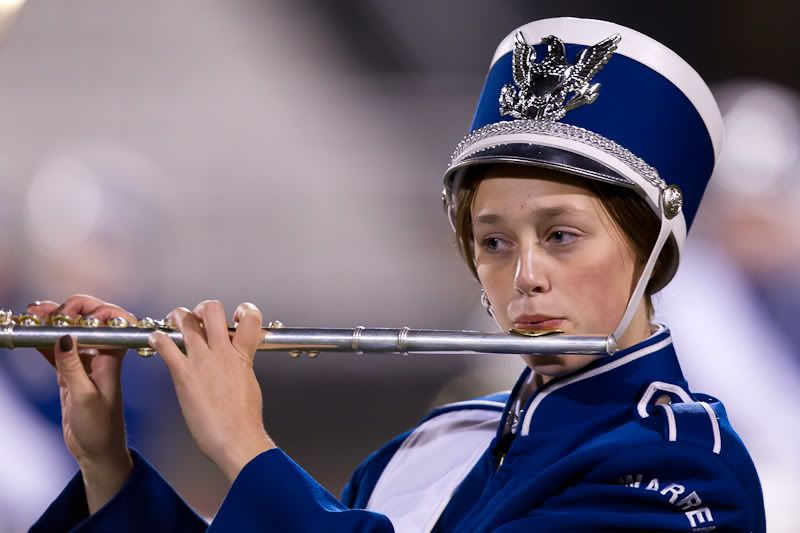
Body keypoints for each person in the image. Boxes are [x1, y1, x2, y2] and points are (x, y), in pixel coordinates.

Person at [28, 17, 765, 532]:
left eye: (561, 235)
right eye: (493, 241)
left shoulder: (685, 469)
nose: (524, 275)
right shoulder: (435, 445)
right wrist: (107, 465)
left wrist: (242, 444)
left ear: (650, 252)